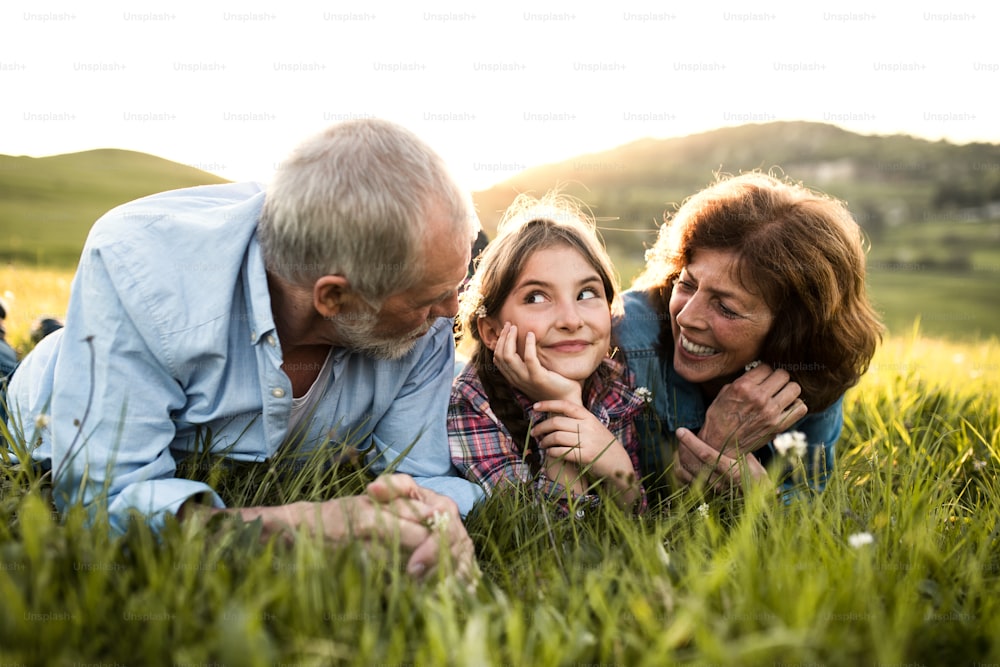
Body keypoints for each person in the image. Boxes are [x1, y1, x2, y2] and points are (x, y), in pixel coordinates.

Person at [4, 119, 482, 581]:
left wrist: (434, 519)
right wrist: (300, 529)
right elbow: (99, 510)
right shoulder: (140, 269)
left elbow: (421, 476)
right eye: (430, 298)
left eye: (455, 285)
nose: (450, 311)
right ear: (333, 298)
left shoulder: (426, 314)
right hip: (38, 408)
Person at [615, 171, 883, 497]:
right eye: (686, 284)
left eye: (726, 308)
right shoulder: (623, 340)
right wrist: (712, 446)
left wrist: (760, 500)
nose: (686, 317)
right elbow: (609, 508)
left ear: (791, 328)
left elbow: (804, 505)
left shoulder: (815, 364)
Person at [449, 193, 646, 514]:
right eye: (537, 298)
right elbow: (544, 537)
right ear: (492, 332)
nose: (571, 320)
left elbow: (635, 521)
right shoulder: (472, 403)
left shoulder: (613, 378)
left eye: (586, 293)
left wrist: (617, 468)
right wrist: (564, 406)